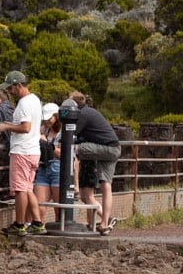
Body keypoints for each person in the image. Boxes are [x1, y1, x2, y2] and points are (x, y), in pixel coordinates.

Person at [0, 71, 46, 236]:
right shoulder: (35, 100)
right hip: (33, 151)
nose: (9, 92)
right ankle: (37, 223)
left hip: (22, 151)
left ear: (18, 85)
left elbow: (25, 128)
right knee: (27, 188)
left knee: (19, 190)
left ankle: (19, 224)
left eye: (10, 88)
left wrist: (6, 126)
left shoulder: (24, 103)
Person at [70, 90, 121, 235]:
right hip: (115, 148)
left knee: (74, 149)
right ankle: (105, 223)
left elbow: (72, 134)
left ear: (74, 104)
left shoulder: (84, 114)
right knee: (106, 185)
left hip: (107, 149)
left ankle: (74, 185)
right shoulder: (90, 112)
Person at [33, 102, 62, 223]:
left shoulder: (64, 132)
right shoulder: (44, 130)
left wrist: (48, 145)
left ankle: (59, 231)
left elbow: (63, 155)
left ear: (56, 116)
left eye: (49, 119)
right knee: (40, 207)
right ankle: (40, 228)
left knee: (59, 207)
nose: (47, 121)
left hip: (58, 168)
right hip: (43, 167)